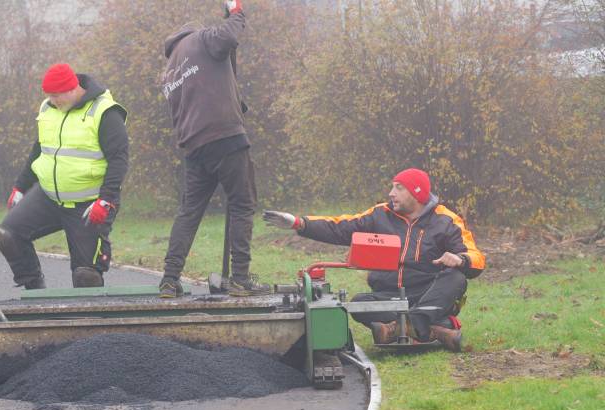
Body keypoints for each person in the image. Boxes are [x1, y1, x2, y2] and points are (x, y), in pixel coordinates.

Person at [263, 168, 485, 351]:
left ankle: (398, 329)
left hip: (427, 295)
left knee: (456, 278)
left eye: (399, 188)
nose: (391, 193)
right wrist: (299, 223)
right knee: (359, 302)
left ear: (417, 193)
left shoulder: (447, 220)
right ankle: (435, 329)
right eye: (392, 187)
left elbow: (477, 258)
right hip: (388, 296)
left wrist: (461, 259)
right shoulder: (379, 214)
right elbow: (340, 226)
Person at [158, 0, 268, 297]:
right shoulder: (202, 38)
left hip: (194, 148)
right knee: (242, 205)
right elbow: (228, 37)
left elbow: (211, 91)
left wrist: (238, 104)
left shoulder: (169, 69)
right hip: (225, 137)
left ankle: (169, 279)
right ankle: (241, 279)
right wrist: (236, 13)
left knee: (189, 212)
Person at [0, 63, 129, 289]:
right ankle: (34, 292)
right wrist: (20, 186)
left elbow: (119, 160)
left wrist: (105, 200)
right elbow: (39, 149)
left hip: (88, 204)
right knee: (7, 235)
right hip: (48, 197)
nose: (53, 100)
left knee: (86, 276)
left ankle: (88, 321)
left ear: (73, 88)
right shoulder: (48, 109)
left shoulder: (105, 112)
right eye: (49, 96)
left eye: (57, 96)